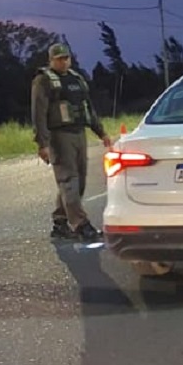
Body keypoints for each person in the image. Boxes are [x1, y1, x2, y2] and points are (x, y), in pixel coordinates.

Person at [31, 42, 114, 241]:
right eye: (59, 58)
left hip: (79, 133)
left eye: (66, 57)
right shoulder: (43, 80)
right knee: (68, 180)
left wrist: (101, 132)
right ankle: (80, 225)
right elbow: (38, 113)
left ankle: (60, 222)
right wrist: (42, 143)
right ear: (51, 60)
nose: (63, 61)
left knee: (79, 181)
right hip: (59, 136)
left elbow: (88, 108)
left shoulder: (77, 79)